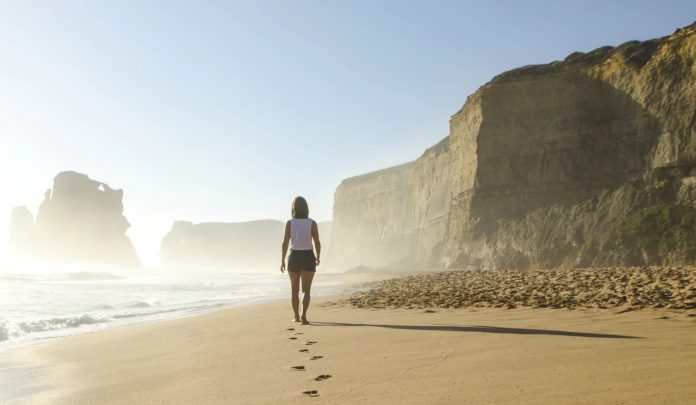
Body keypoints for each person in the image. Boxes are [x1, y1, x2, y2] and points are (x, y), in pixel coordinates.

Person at [280, 196, 321, 324]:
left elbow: (285, 243)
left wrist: (282, 260)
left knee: (294, 289)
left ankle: (296, 316)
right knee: (306, 290)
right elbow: (317, 242)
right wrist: (318, 256)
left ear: (294, 208)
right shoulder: (312, 223)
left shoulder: (290, 223)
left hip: (294, 256)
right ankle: (304, 315)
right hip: (308, 256)